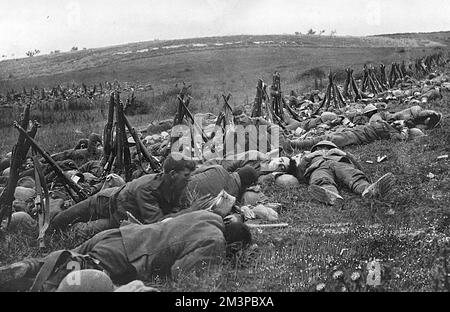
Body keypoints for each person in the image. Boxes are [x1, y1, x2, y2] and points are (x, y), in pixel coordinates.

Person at [0, 210, 252, 291]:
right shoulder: (215, 241)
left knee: (67, 257)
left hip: (118, 235)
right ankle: (34, 283)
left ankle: (30, 266)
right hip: (124, 256)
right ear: (234, 245)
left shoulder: (209, 216)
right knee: (76, 278)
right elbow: (185, 276)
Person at [49, 153, 196, 237]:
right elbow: (157, 223)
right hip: (106, 202)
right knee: (56, 224)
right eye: (186, 175)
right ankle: (55, 203)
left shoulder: (180, 184)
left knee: (80, 232)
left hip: (121, 219)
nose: (189, 178)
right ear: (172, 174)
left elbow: (178, 211)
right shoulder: (147, 188)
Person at [295, 140, 395, 205]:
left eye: (327, 148)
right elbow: (299, 173)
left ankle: (367, 189)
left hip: (339, 164)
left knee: (352, 175)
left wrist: (344, 154)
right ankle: (330, 195)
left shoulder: (339, 155)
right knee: (321, 179)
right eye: (320, 148)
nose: (323, 150)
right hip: (318, 167)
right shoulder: (310, 157)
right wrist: (308, 157)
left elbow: (359, 167)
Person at [284, 120, 410, 152]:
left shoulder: (392, 133)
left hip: (354, 137)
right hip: (351, 131)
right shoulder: (386, 123)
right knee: (326, 137)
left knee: (326, 140)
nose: (397, 122)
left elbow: (402, 138)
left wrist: (405, 129)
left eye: (400, 123)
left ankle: (294, 144)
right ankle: (293, 143)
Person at [185, 164, 258, 202]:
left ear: (237, 170)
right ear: (247, 187)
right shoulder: (230, 199)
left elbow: (193, 172)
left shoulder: (218, 168)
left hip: (177, 186)